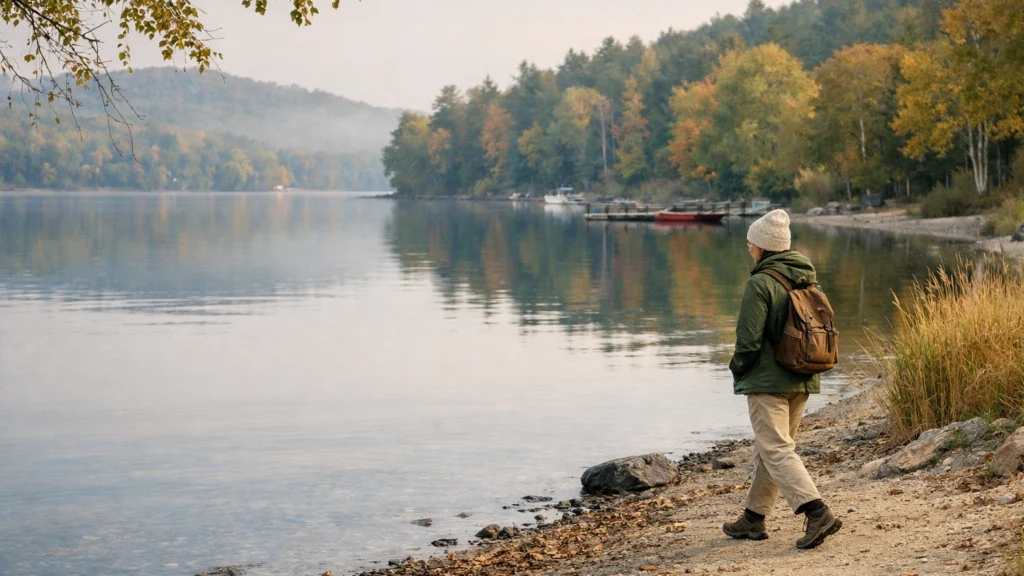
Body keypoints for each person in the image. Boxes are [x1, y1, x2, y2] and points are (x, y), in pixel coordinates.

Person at [722, 209, 842, 550]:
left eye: (751, 242)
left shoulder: (760, 283)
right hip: (802, 377)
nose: (748, 246)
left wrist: (738, 369)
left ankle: (817, 512)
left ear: (764, 246)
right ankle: (753, 519)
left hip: (767, 381)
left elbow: (747, 340)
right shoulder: (807, 280)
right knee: (771, 449)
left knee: (775, 449)